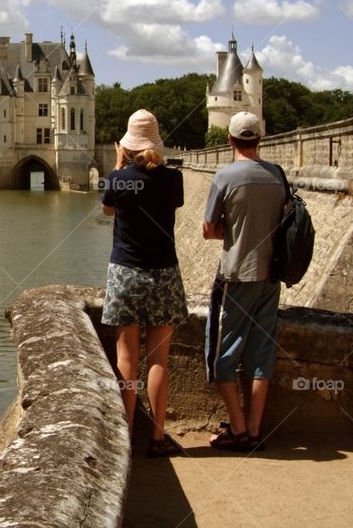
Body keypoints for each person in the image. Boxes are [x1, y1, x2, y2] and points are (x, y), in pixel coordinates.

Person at [101, 109, 187, 458]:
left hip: (126, 273)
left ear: (126, 144)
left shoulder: (118, 179)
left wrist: (120, 166)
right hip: (164, 273)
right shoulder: (173, 179)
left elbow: (108, 211)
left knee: (126, 359)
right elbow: (171, 203)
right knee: (158, 360)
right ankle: (156, 438)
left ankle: (125, 441)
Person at [202, 111, 286, 452]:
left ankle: (237, 430)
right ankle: (253, 431)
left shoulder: (225, 177)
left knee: (224, 355)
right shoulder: (277, 174)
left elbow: (208, 230)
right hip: (271, 276)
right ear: (260, 139)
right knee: (261, 355)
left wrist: (229, 230)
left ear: (230, 140)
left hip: (237, 274)